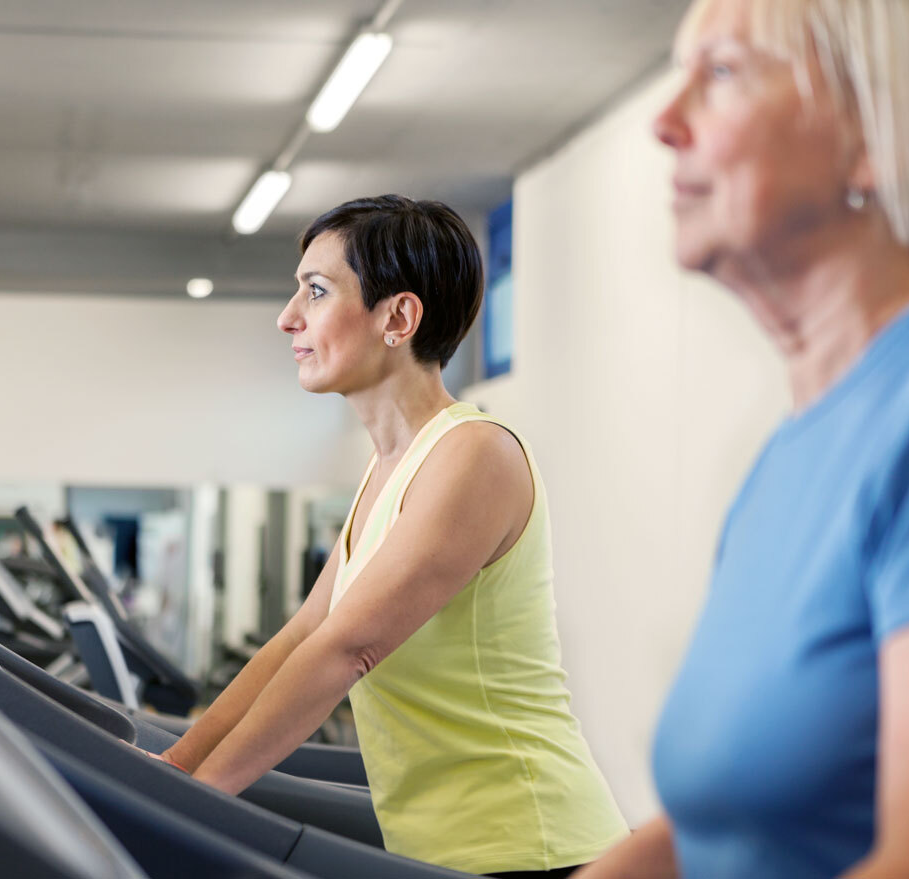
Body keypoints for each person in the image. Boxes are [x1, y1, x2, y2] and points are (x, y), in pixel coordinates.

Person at [582, 1, 909, 877]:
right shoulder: (787, 454)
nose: (664, 120)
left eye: (722, 72)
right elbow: (723, 825)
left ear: (875, 135)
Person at [160, 195, 628, 875]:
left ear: (399, 318)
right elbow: (303, 636)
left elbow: (348, 649)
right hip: (455, 851)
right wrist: (172, 769)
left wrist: (194, 801)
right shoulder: (387, 469)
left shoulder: (474, 453)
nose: (289, 317)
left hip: (532, 844)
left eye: (316, 291)